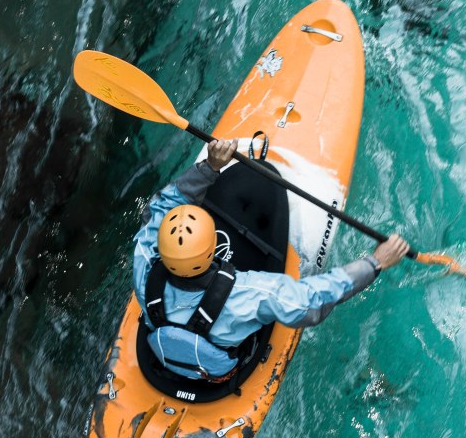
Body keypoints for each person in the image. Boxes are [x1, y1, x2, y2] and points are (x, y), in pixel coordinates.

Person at [133, 138, 410, 382]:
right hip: (221, 370)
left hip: (165, 352)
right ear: (213, 249)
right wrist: (375, 263)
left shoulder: (145, 260)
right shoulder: (248, 294)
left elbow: (158, 209)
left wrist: (209, 167)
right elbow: (311, 303)